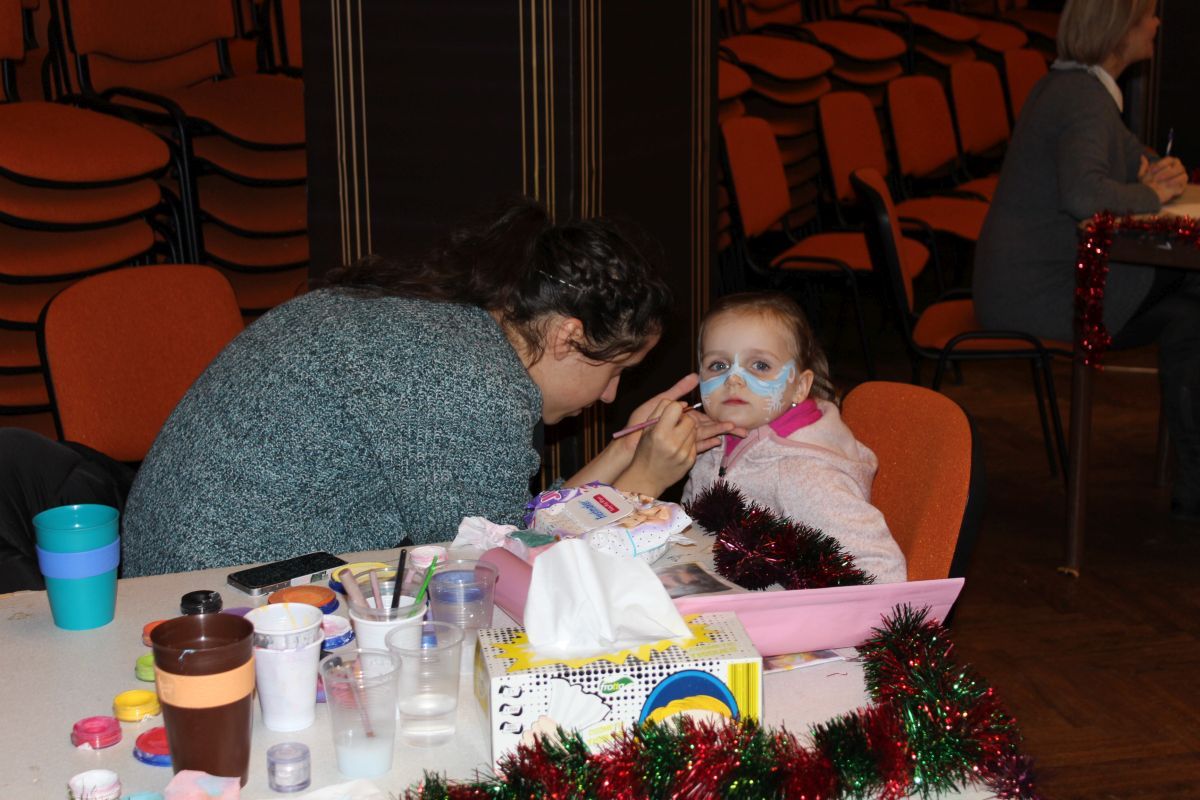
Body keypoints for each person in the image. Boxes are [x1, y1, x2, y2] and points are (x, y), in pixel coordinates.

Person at [122, 200, 732, 576]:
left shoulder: (450, 325)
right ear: (568, 336)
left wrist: (624, 455)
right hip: (218, 597)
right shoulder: (470, 385)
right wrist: (645, 484)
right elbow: (502, 576)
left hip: (188, 568)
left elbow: (507, 531)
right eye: (615, 370)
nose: (609, 397)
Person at [972, 0, 1199, 518]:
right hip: (1040, 298)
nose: (1157, 23)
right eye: (1148, 16)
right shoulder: (1082, 98)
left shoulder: (1074, 86)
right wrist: (1153, 193)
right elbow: (1083, 194)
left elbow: (1132, 154)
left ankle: (1193, 477)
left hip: (1030, 285)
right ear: (1119, 31)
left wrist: (1159, 169)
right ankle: (1193, 476)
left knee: (1190, 313)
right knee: (1191, 296)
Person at [680, 293, 907, 583]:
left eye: (760, 366)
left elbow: (882, 570)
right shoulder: (713, 443)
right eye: (718, 365)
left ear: (799, 387)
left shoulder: (803, 475)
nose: (733, 380)